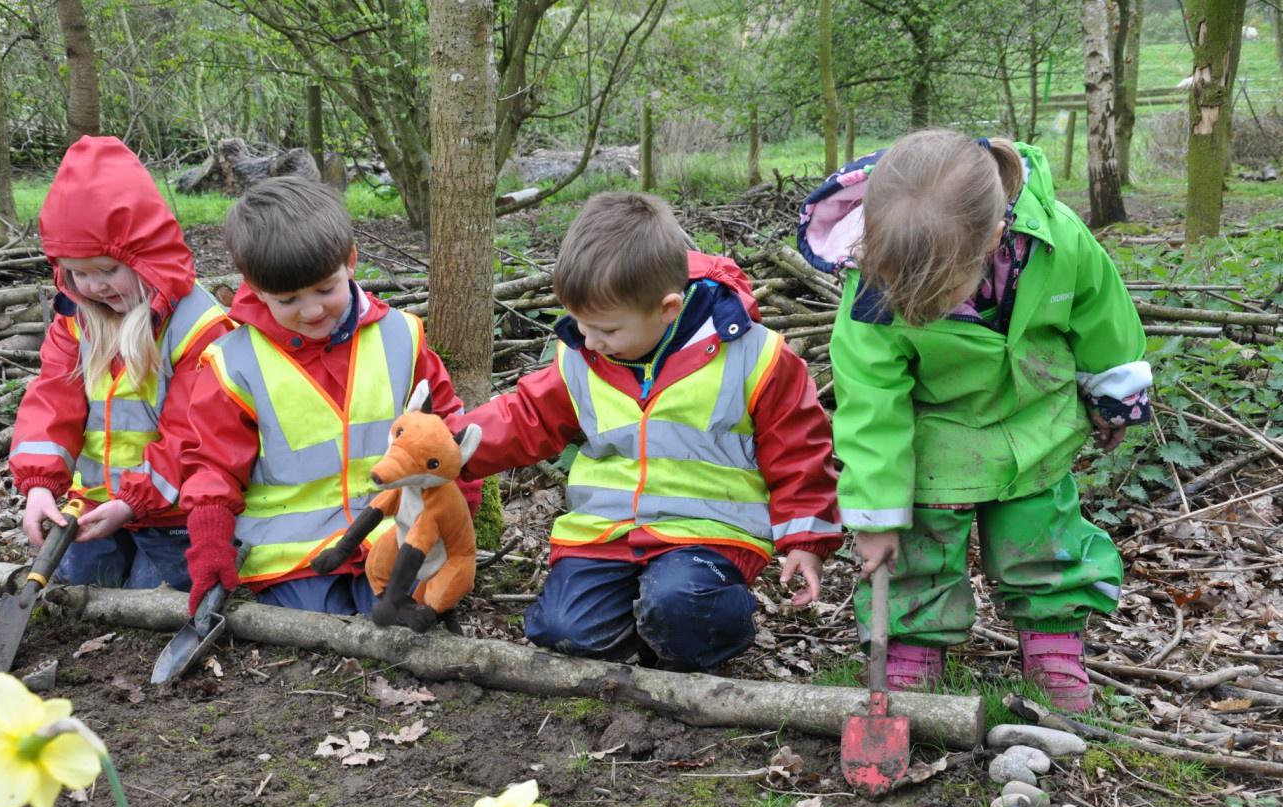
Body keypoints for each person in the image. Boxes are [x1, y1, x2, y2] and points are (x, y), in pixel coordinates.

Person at [798, 129, 1152, 711]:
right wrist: (877, 513)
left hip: (1035, 419)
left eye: (936, 292)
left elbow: (1102, 313)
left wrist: (1113, 393)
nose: (920, 305)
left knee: (1041, 535)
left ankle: (1053, 637)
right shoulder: (876, 279)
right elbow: (871, 404)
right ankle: (913, 640)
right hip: (933, 435)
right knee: (920, 546)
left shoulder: (1059, 240)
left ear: (991, 238)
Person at [455, 191, 842, 672]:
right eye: (580, 324)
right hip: (605, 533)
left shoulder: (753, 355)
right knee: (561, 629)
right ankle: (647, 633)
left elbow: (798, 449)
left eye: (607, 330)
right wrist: (450, 448)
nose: (589, 340)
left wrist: (806, 537)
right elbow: (525, 415)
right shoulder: (584, 353)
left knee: (681, 606)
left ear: (667, 308)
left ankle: (705, 630)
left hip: (708, 535)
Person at [179, 176, 479, 616]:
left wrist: (460, 507)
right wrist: (210, 543)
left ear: (350, 261)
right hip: (291, 559)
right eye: (288, 300)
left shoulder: (401, 335)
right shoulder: (233, 363)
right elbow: (211, 465)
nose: (313, 310)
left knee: (402, 613)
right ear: (255, 289)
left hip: (395, 532)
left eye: (325, 289)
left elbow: (445, 429)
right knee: (320, 624)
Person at [9, 136, 235, 590]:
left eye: (107, 269)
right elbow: (52, 401)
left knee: (154, 600)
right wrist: (39, 485)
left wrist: (135, 500)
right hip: (94, 504)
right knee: (81, 590)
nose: (94, 287)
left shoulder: (198, 326)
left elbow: (194, 433)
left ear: (147, 256)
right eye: (78, 273)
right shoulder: (76, 322)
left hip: (171, 510)